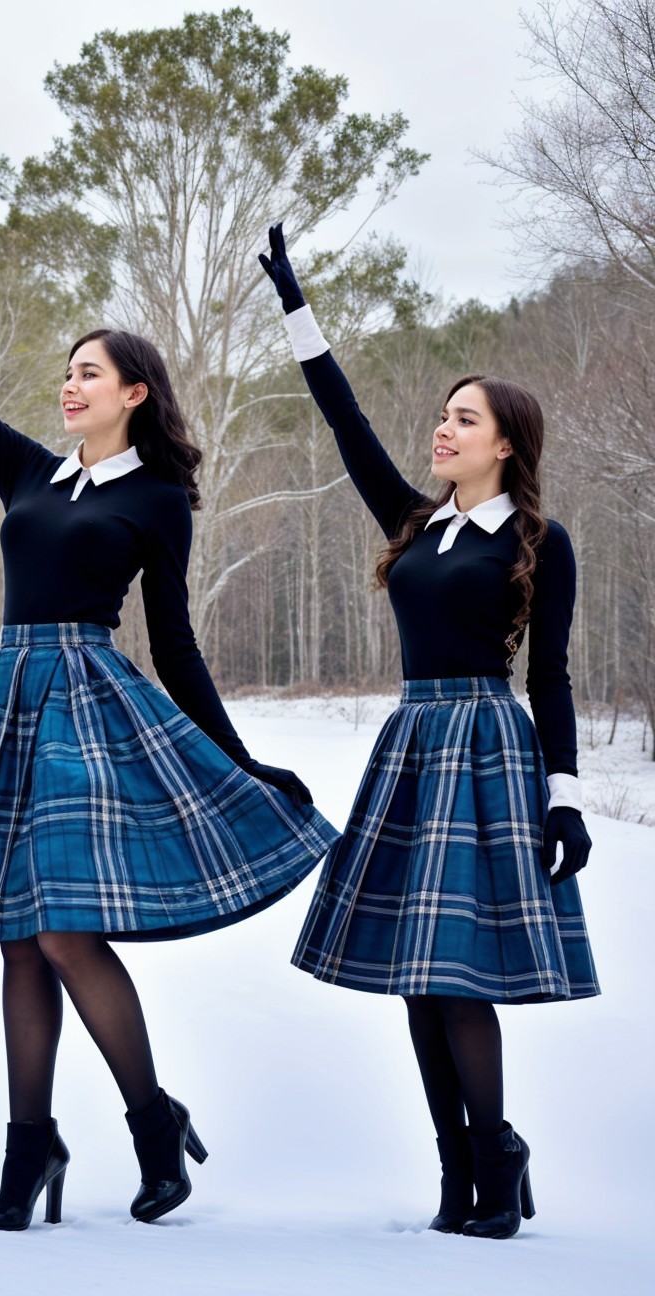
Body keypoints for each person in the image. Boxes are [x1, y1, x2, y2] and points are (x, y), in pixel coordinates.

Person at [0, 176, 337, 1230]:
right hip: (8, 699)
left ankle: (152, 1123)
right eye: (65, 375)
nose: (69, 388)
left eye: (88, 376)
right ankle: (31, 1156)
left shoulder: (156, 499)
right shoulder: (27, 473)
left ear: (134, 393)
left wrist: (238, 758)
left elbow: (179, 642)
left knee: (59, 929)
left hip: (91, 708)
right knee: (21, 936)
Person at [259, 223, 596, 1240]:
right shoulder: (415, 522)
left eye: (464, 420)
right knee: (413, 979)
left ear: (506, 444)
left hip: (488, 752)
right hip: (412, 747)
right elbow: (345, 421)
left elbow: (552, 674)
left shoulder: (541, 541)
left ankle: (498, 1160)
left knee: (455, 979)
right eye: (443, 417)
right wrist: (295, 305)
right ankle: (455, 1171)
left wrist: (566, 795)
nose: (441, 432)